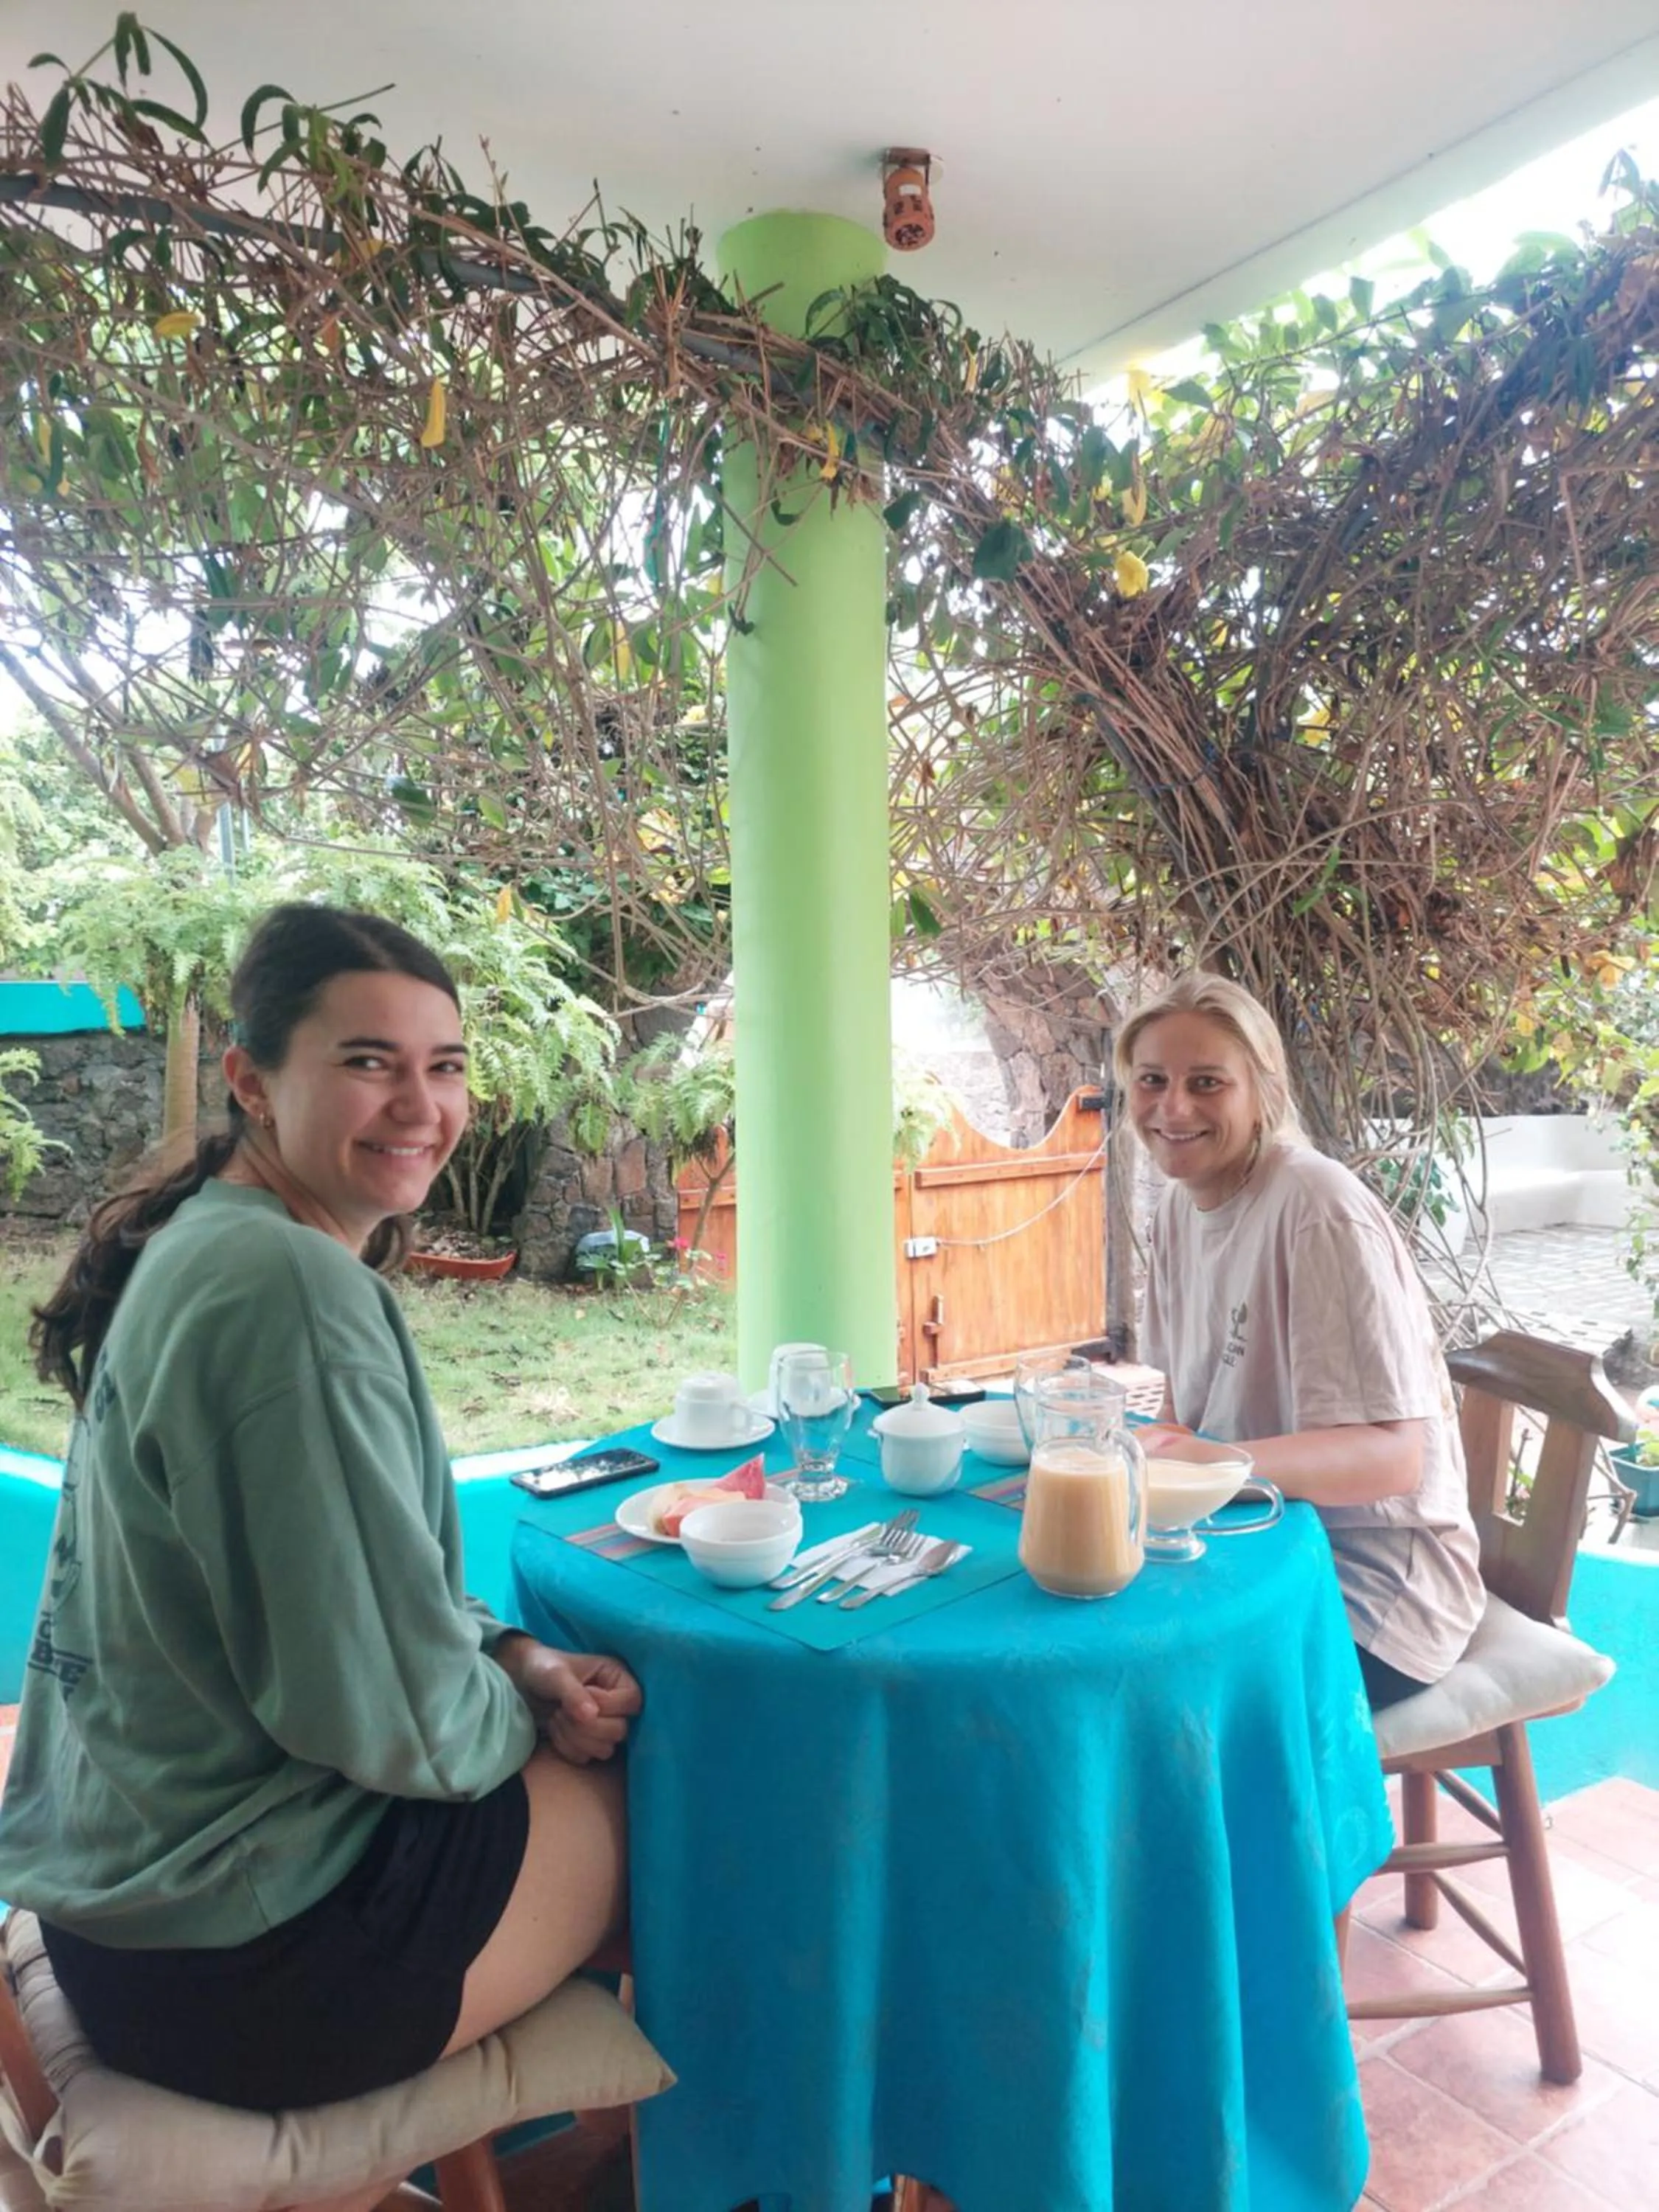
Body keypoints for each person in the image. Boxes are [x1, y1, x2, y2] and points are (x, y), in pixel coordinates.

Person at [0, 905, 640, 2212]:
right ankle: (699, 2169)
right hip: (243, 1973)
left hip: (130, 1918)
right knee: (699, 1802)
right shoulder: (291, 1293)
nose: (421, 1103)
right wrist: (519, 1712)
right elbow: (399, 1723)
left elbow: (358, 1590)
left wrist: (510, 1655)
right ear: (250, 1078)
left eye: (445, 1064)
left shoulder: (201, 1251)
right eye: (368, 1061)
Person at [1118, 970, 1483, 1709]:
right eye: (1151, 1079)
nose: (1173, 1107)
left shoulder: (1316, 1208)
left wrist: (1211, 1460)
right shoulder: (1179, 1210)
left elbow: (1393, 1457)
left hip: (1372, 1594)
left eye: (1208, 1083)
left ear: (1263, 1092)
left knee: (1137, 1694)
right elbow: (1184, 1415)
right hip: (1251, 1543)